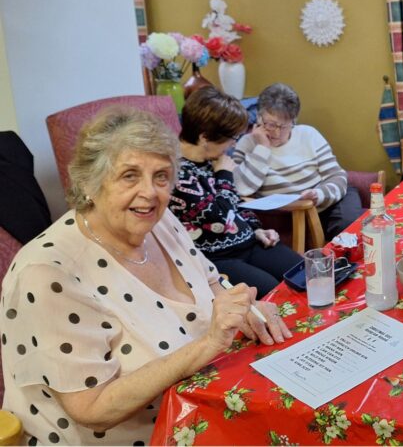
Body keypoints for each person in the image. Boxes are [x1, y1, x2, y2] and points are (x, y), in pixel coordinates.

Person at [0, 107, 291, 445]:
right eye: (129, 175)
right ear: (89, 181)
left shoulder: (160, 223)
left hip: (201, 409)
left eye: (162, 176)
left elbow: (213, 282)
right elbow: (92, 408)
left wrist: (245, 312)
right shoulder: (48, 272)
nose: (150, 192)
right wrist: (209, 342)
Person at [169, 87, 303, 298]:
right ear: (205, 137)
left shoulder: (212, 159)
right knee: (274, 293)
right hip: (217, 256)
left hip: (248, 242)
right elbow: (219, 214)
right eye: (231, 138)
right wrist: (224, 174)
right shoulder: (176, 172)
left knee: (305, 273)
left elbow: (237, 203)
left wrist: (256, 229)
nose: (233, 144)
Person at [233, 83, 362, 242]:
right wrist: (262, 148)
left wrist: (318, 194)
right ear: (259, 118)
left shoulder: (308, 134)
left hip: (328, 201)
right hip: (292, 215)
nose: (278, 133)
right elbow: (240, 188)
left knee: (351, 228)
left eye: (285, 126)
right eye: (271, 124)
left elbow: (337, 176)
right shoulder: (247, 144)